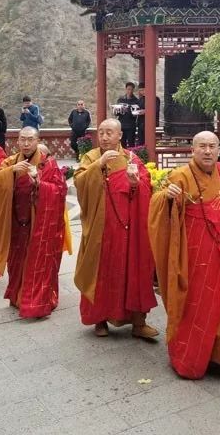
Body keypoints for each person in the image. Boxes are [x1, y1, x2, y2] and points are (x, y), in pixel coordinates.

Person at [149, 131, 220, 382]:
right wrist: (166, 199)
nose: (208, 151)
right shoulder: (180, 176)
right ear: (193, 150)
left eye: (212, 146)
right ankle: (193, 356)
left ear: (219, 151)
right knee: (197, 306)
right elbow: (160, 206)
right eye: (202, 146)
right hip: (195, 253)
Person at [73, 118, 158, 339]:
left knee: (134, 272)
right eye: (101, 132)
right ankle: (99, 320)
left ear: (120, 135)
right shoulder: (91, 157)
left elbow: (147, 187)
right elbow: (79, 183)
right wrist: (98, 165)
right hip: (100, 228)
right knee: (100, 273)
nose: (104, 137)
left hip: (129, 230)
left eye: (109, 132)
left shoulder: (131, 158)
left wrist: (135, 184)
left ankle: (139, 322)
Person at [0, 127, 67, 318]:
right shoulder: (11, 162)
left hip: (40, 224)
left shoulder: (48, 164)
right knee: (17, 262)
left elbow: (60, 190)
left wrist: (39, 183)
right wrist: (11, 172)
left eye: (30, 140)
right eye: (22, 139)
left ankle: (39, 301)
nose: (26, 144)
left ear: (37, 141)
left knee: (41, 262)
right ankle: (18, 296)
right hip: (17, 222)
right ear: (18, 141)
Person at [115, 82, 139, 148]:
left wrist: (129, 110)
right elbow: (116, 113)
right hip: (121, 125)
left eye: (131, 89)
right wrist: (118, 109)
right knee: (122, 143)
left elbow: (136, 115)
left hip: (131, 125)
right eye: (128, 89)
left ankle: (131, 157)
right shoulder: (121, 99)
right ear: (126, 89)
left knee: (131, 143)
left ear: (133, 90)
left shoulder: (136, 100)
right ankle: (122, 157)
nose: (130, 91)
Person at [136, 82, 160, 146]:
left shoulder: (155, 98)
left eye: (143, 90)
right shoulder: (141, 99)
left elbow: (155, 109)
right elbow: (138, 108)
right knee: (140, 141)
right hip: (141, 123)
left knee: (149, 142)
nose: (142, 92)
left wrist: (145, 111)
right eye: (140, 90)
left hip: (150, 123)